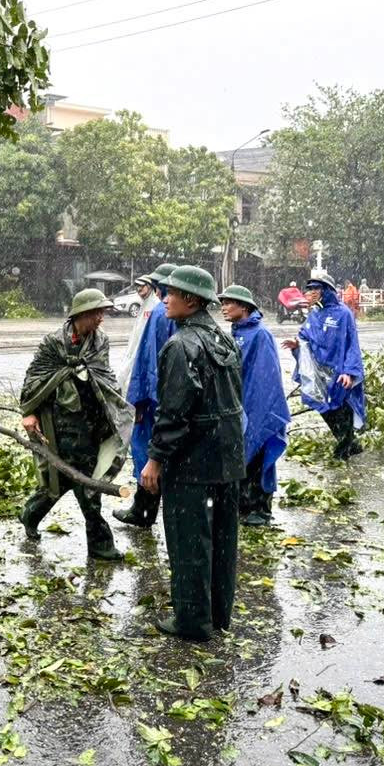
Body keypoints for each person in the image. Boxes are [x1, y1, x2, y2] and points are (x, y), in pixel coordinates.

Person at [140, 266, 245, 641]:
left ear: (191, 300)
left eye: (172, 292)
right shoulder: (225, 340)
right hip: (228, 458)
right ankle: (218, 615)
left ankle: (191, 621)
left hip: (193, 461)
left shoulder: (181, 346)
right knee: (221, 539)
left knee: (188, 539)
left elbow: (174, 414)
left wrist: (154, 459)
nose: (165, 297)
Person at [18, 289, 134, 561]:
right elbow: (35, 377)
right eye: (97, 313)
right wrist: (29, 413)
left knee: (79, 481)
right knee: (69, 482)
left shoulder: (100, 342)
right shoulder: (53, 343)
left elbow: (104, 376)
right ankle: (99, 543)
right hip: (59, 423)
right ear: (81, 315)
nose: (101, 319)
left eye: (103, 313)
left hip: (91, 421)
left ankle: (32, 514)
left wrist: (117, 411)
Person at [112, 262, 178, 529]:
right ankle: (145, 510)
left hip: (153, 400)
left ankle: (143, 512)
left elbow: (147, 361)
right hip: (165, 397)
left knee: (146, 453)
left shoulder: (159, 314)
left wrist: (138, 399)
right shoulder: (163, 312)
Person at [218, 285, 290, 527]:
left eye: (229, 303)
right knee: (241, 458)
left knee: (257, 455)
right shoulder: (233, 333)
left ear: (244, 307)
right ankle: (244, 505)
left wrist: (257, 412)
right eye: (223, 302)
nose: (224, 307)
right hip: (239, 406)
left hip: (258, 407)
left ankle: (261, 508)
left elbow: (266, 378)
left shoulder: (260, 335)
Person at [282, 270, 366, 461]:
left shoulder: (344, 314)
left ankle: (341, 455)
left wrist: (349, 372)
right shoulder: (315, 314)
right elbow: (306, 337)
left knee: (342, 412)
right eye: (309, 289)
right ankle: (351, 446)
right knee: (325, 410)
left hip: (339, 374)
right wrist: (297, 345)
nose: (310, 293)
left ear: (326, 290)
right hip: (319, 374)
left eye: (315, 289)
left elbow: (352, 344)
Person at [115, 275, 158, 396]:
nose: (139, 289)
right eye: (137, 286)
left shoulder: (153, 305)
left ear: (149, 287)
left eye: (141, 286)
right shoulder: (144, 303)